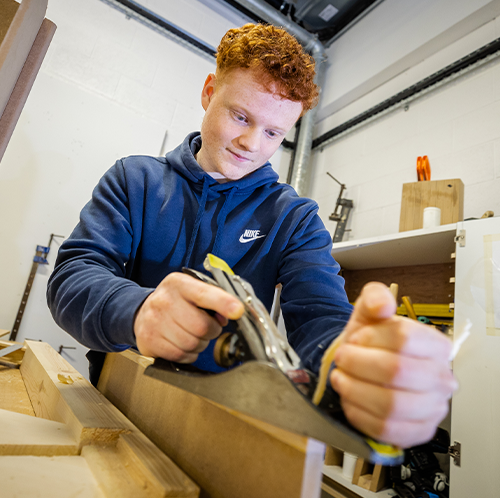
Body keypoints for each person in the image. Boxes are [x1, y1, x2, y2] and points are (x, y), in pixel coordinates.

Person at [47, 23, 456, 449]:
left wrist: (354, 363)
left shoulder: (294, 217)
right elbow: (73, 278)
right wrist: (139, 310)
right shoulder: (135, 180)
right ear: (209, 92)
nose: (250, 143)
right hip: (113, 399)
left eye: (274, 133)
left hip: (222, 421)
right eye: (240, 116)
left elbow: (319, 314)